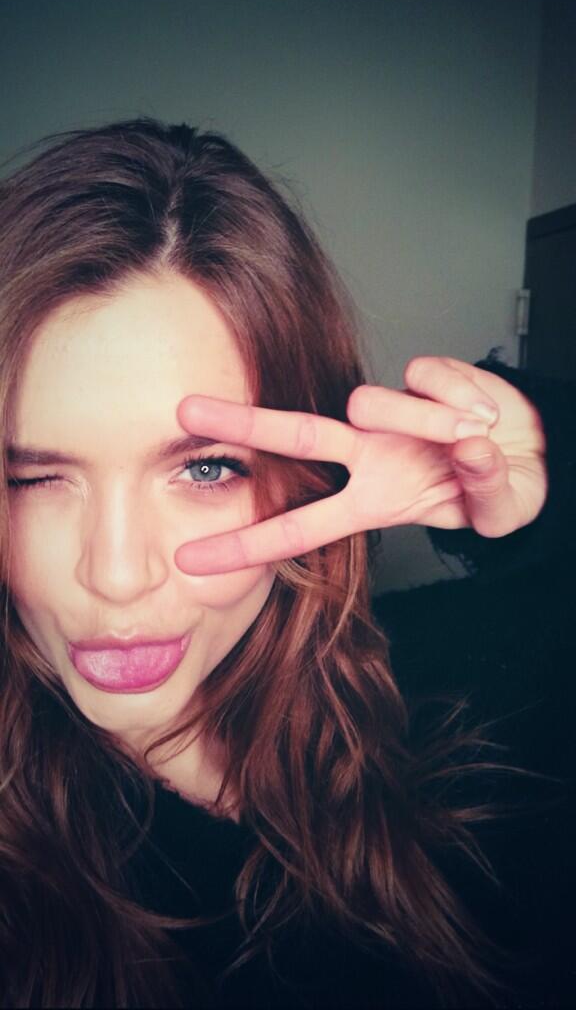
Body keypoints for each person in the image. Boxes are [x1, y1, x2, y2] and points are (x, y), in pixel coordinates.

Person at [0, 118, 572, 1009]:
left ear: (303, 479)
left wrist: (545, 460)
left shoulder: (453, 707)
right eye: (36, 478)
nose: (115, 577)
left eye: (206, 469)